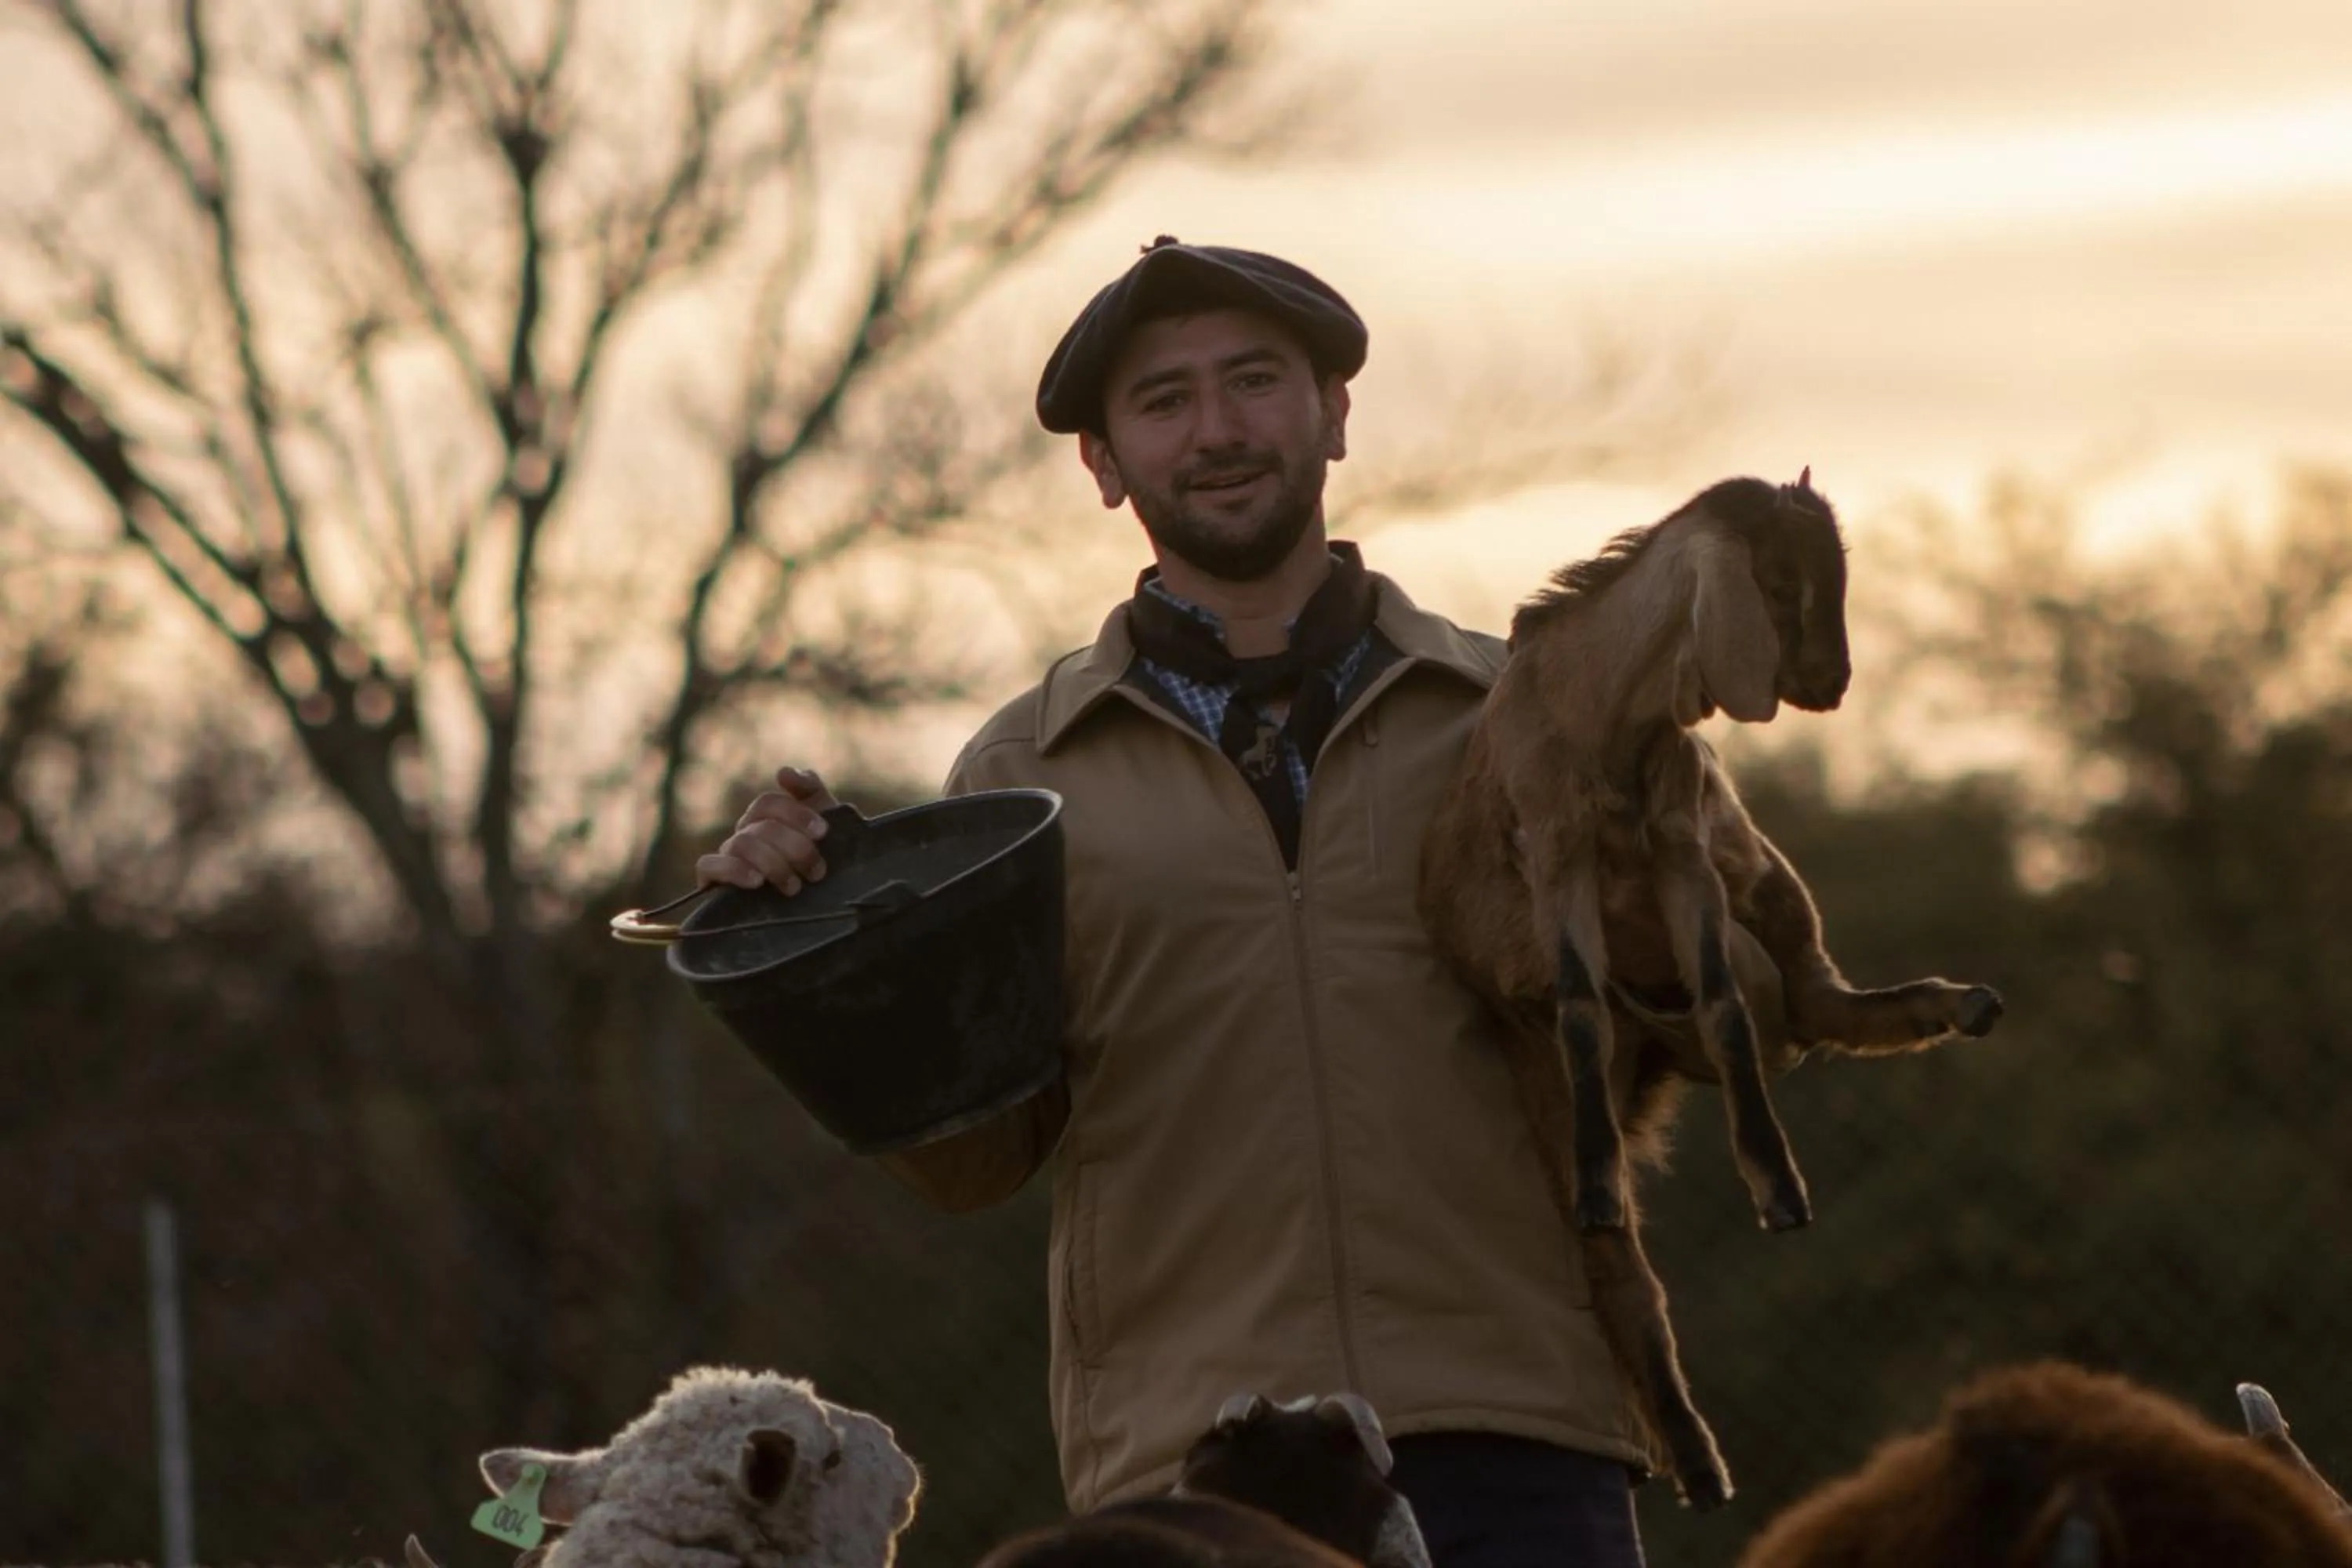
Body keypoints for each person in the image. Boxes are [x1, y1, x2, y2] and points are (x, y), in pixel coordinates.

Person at [699, 238, 1735, 1568]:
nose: (1218, 430)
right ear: (1106, 464)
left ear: (1335, 414)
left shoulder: (1520, 719)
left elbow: (1698, 1036)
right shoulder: (1021, 779)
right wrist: (812, 947)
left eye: (1255, 381)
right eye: (1164, 400)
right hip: (1190, 1474)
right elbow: (972, 1158)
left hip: (1517, 1432)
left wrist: (1671, 872)